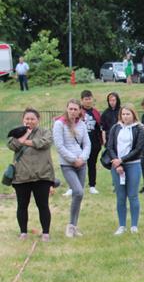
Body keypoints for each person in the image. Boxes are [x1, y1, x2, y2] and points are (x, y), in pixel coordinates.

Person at [7, 108, 54, 241]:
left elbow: (45, 143)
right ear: (23, 120)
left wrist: (25, 142)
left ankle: (46, 233)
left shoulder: (45, 131)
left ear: (38, 120)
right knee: (22, 205)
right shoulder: (17, 132)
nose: (29, 121)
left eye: (32, 119)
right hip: (21, 176)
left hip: (42, 176)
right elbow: (12, 145)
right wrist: (25, 134)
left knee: (43, 205)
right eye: (27, 118)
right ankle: (23, 233)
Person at [53, 99, 90, 237]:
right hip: (67, 164)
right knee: (78, 191)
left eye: (75, 109)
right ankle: (70, 226)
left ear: (80, 110)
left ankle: (73, 226)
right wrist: (73, 160)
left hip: (82, 163)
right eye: (71, 109)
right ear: (67, 109)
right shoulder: (59, 124)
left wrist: (82, 158)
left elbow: (87, 144)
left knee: (78, 196)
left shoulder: (82, 124)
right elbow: (59, 146)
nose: (73, 111)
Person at [106, 104, 144, 234]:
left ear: (133, 114)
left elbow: (138, 149)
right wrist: (117, 163)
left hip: (133, 164)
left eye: (128, 114)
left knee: (133, 195)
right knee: (120, 196)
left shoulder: (139, 128)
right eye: (123, 114)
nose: (125, 116)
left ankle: (134, 225)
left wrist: (122, 160)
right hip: (117, 165)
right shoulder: (115, 128)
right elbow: (109, 146)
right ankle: (121, 225)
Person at [79, 90, 103, 195]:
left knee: (92, 164)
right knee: (79, 164)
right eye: (86, 99)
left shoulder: (96, 113)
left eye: (89, 99)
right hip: (80, 144)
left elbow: (100, 127)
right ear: (82, 100)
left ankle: (92, 185)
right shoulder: (78, 111)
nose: (88, 101)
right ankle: (76, 186)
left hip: (94, 143)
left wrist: (101, 142)